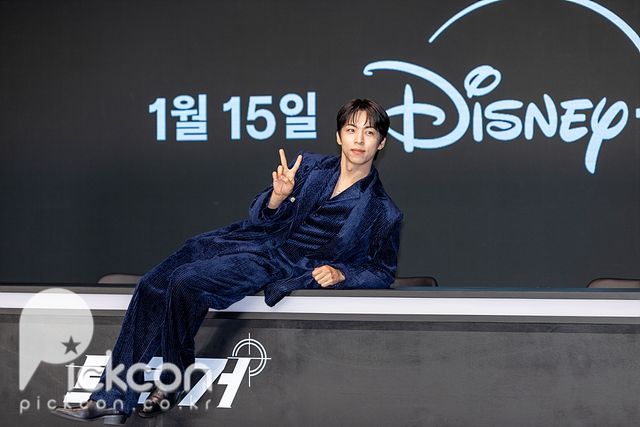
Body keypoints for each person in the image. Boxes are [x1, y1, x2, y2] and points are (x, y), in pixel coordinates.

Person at [51, 98, 403, 424]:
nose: (359, 139)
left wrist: (342, 273)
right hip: (245, 239)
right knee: (152, 284)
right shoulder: (308, 166)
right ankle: (114, 398)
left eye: (369, 132)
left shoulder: (383, 210)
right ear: (339, 136)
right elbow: (259, 215)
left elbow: (382, 271)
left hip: (281, 264)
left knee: (185, 281)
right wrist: (277, 197)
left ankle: (175, 377)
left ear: (381, 143)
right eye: (351, 130)